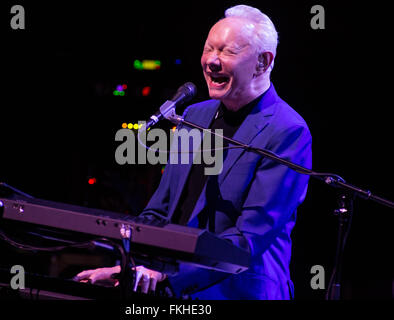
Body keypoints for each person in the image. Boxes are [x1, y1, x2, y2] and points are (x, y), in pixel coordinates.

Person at [75, 4, 312, 300]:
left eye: (227, 52)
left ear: (263, 62)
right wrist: (128, 269)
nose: (211, 61)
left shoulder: (287, 130)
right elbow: (160, 211)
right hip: (171, 288)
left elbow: (249, 240)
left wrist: (165, 277)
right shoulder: (194, 117)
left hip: (238, 292)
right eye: (208, 49)